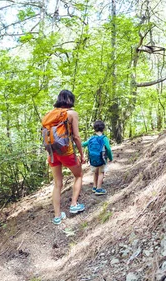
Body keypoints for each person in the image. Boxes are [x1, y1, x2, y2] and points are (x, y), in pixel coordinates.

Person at [41, 90, 85, 225]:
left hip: (52, 153)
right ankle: (74, 204)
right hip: (66, 152)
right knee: (78, 175)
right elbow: (76, 137)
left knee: (57, 184)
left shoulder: (49, 114)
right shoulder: (72, 114)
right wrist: (82, 154)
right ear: (71, 100)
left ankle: (57, 216)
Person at [83, 120, 113, 195]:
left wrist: (74, 143)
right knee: (101, 172)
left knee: (95, 172)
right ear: (103, 128)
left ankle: (94, 186)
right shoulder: (104, 138)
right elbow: (108, 149)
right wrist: (110, 158)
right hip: (102, 159)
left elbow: (83, 144)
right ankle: (99, 189)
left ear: (94, 129)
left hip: (93, 159)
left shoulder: (91, 138)